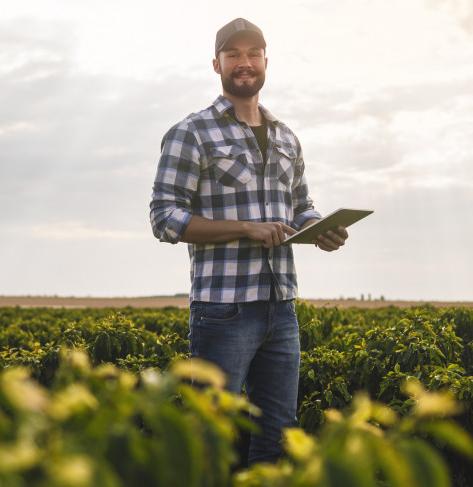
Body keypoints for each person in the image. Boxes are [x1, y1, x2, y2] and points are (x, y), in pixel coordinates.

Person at [149, 18, 349, 466]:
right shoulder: (192, 133)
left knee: (278, 439)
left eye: (253, 54)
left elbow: (300, 204)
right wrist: (245, 227)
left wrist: (321, 228)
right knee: (211, 439)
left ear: (265, 62)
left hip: (282, 307)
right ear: (216, 63)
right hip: (224, 310)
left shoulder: (286, 137)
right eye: (234, 54)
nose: (244, 62)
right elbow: (164, 218)